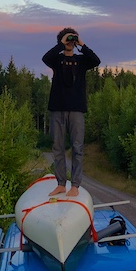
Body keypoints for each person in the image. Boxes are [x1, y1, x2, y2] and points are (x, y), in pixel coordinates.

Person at [42, 27, 101, 197]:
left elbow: (96, 60)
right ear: (61, 41)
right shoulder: (56, 60)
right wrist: (61, 44)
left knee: (77, 147)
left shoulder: (81, 61)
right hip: (57, 108)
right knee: (57, 147)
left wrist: (81, 43)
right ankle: (61, 183)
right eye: (66, 39)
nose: (69, 42)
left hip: (77, 109)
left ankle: (75, 185)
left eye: (71, 39)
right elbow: (46, 57)